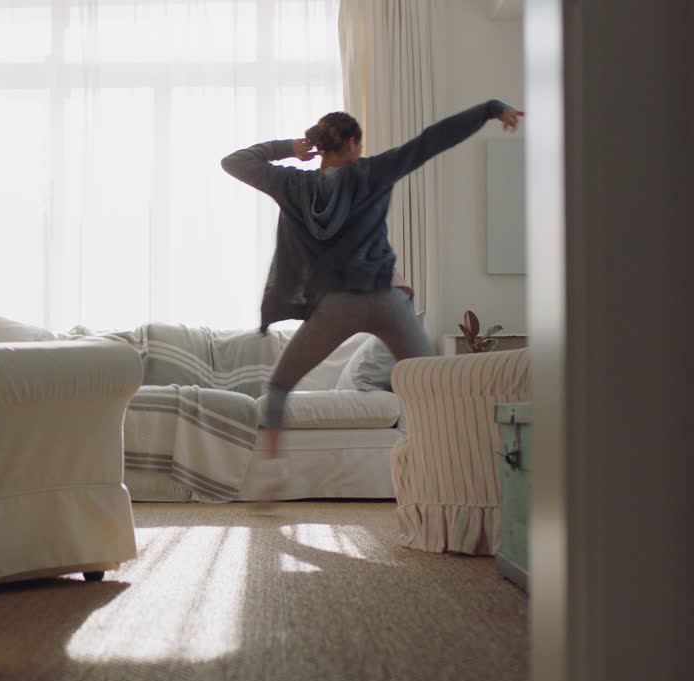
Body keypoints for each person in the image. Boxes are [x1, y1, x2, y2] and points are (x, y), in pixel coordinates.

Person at [222, 99, 523, 459]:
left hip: (336, 307)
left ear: (320, 147)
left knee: (279, 386)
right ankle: (452, 460)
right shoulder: (373, 172)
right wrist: (490, 109)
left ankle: (274, 466)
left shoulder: (290, 183)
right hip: (386, 300)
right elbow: (433, 139)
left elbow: (234, 162)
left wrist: (289, 148)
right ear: (352, 143)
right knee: (432, 385)